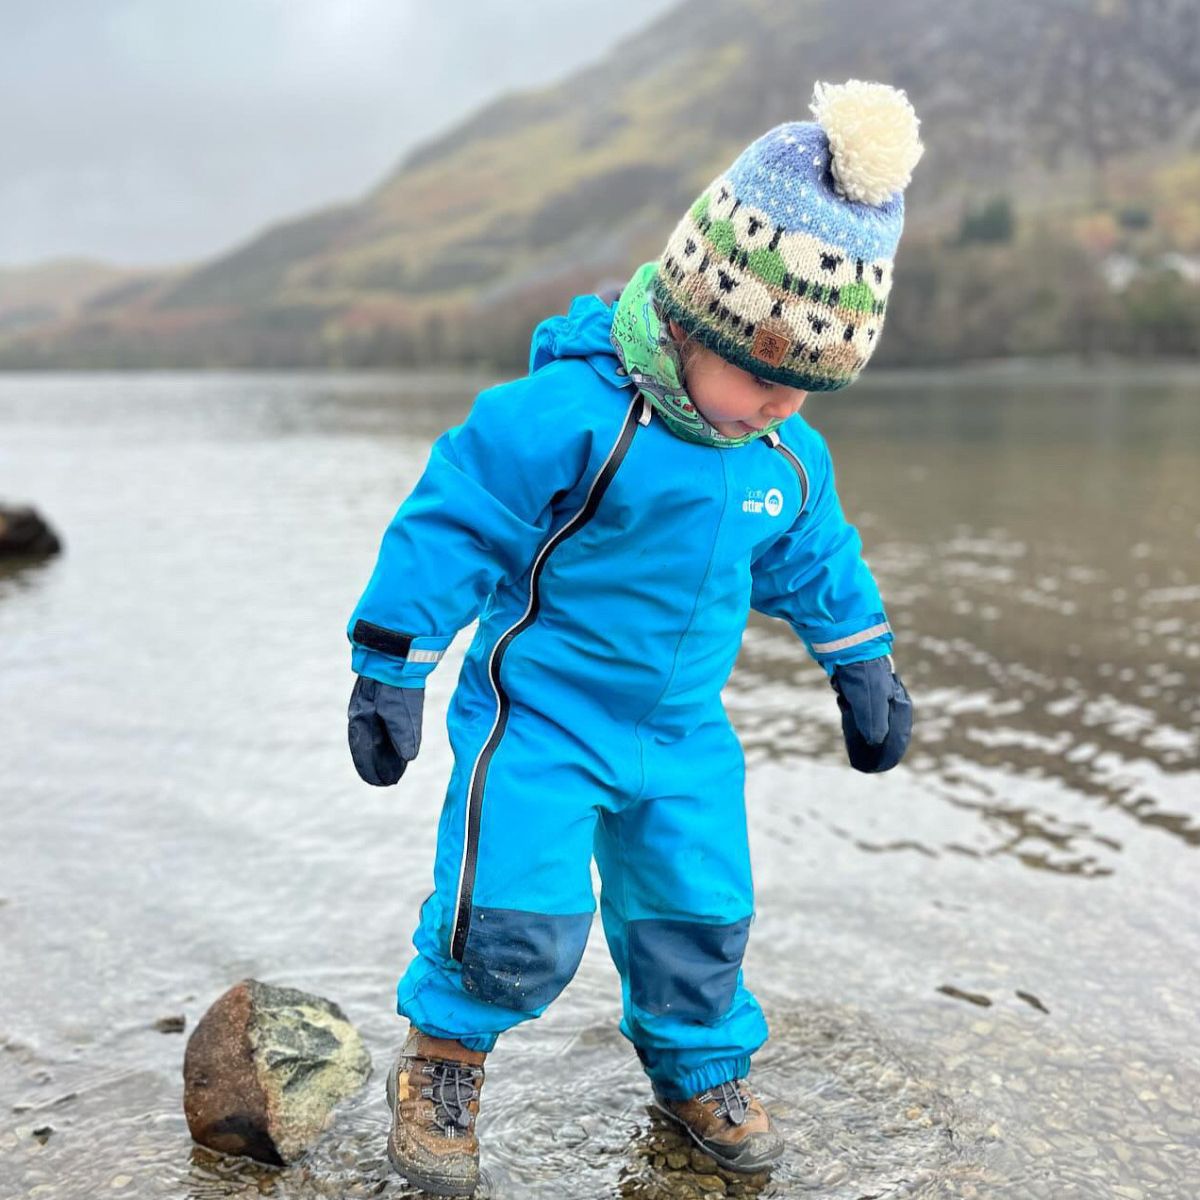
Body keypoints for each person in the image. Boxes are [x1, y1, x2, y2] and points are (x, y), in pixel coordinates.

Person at [347, 79, 922, 1195]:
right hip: (545, 721)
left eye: (804, 390)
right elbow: (453, 519)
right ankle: (445, 1062)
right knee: (514, 914)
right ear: (697, 318)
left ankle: (700, 1067)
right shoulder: (569, 416)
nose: (774, 406)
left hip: (682, 734)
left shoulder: (784, 458)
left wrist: (863, 662)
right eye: (761, 374)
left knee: (700, 912)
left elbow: (817, 560)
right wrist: (392, 662)